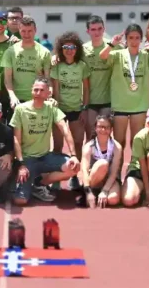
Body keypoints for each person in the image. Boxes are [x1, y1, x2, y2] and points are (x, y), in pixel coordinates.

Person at [11, 78, 80, 206]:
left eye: (41, 90)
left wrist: (74, 155)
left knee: (73, 167)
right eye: (35, 89)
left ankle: (39, 184)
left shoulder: (51, 108)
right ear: (31, 91)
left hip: (45, 157)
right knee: (20, 200)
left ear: (48, 93)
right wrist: (21, 164)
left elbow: (65, 129)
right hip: (27, 160)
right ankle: (21, 182)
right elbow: (16, 139)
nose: (38, 92)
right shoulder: (20, 109)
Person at [100, 26, 149, 150]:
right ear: (126, 39)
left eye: (137, 38)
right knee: (118, 142)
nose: (134, 41)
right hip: (120, 104)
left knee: (136, 141)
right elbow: (103, 55)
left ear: (141, 40)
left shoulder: (146, 55)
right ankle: (117, 168)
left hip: (140, 105)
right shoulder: (118, 54)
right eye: (131, 38)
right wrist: (112, 43)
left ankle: (135, 168)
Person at [49, 31, 90, 190]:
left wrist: (84, 109)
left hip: (77, 110)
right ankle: (57, 178)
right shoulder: (57, 66)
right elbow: (56, 89)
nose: (69, 50)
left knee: (78, 143)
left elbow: (86, 89)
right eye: (66, 47)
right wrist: (57, 110)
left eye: (72, 47)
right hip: (61, 110)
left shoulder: (82, 66)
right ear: (61, 48)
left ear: (77, 48)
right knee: (58, 145)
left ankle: (74, 176)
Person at [80, 15, 121, 140]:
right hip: (90, 101)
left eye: (99, 28)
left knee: (105, 135)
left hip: (108, 100)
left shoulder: (115, 47)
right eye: (93, 29)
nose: (96, 32)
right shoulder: (83, 50)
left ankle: (106, 159)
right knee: (91, 135)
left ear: (104, 29)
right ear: (88, 31)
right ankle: (90, 160)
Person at [1, 16, 52, 114]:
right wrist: (12, 96)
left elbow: (47, 78)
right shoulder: (10, 52)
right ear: (19, 30)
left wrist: (47, 97)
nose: (26, 34)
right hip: (17, 100)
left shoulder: (44, 52)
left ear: (35, 30)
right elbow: (7, 79)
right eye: (23, 31)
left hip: (38, 98)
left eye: (30, 31)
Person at [79, 115, 123, 209]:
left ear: (111, 129)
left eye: (106, 127)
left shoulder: (117, 147)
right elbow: (84, 170)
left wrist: (105, 190)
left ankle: (101, 192)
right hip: (95, 178)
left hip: (110, 180)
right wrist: (88, 191)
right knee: (102, 163)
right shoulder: (88, 147)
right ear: (95, 128)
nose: (103, 130)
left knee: (113, 199)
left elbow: (114, 172)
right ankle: (91, 192)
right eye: (100, 127)